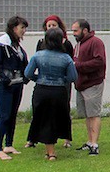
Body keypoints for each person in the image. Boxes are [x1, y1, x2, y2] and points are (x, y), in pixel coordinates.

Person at [24, 28, 77, 160]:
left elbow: (28, 73)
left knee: (44, 119)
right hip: (59, 91)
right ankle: (51, 151)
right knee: (55, 119)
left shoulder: (38, 56)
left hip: (42, 90)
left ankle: (50, 151)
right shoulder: (66, 58)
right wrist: (62, 80)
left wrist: (38, 79)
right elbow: (73, 76)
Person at [0, 16, 29, 160]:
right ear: (14, 28)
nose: (24, 31)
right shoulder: (2, 44)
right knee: (5, 115)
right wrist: (5, 79)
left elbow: (23, 63)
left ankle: (9, 144)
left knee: (13, 114)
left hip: (17, 84)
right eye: (22, 28)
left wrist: (26, 76)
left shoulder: (17, 46)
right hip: (4, 86)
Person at [72, 19, 106, 156]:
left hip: (93, 83)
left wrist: (78, 66)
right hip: (81, 84)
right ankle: (89, 141)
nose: (73, 33)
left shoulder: (96, 42)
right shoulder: (79, 44)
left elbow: (99, 61)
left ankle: (95, 144)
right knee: (87, 115)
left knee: (94, 114)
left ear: (84, 30)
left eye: (75, 30)